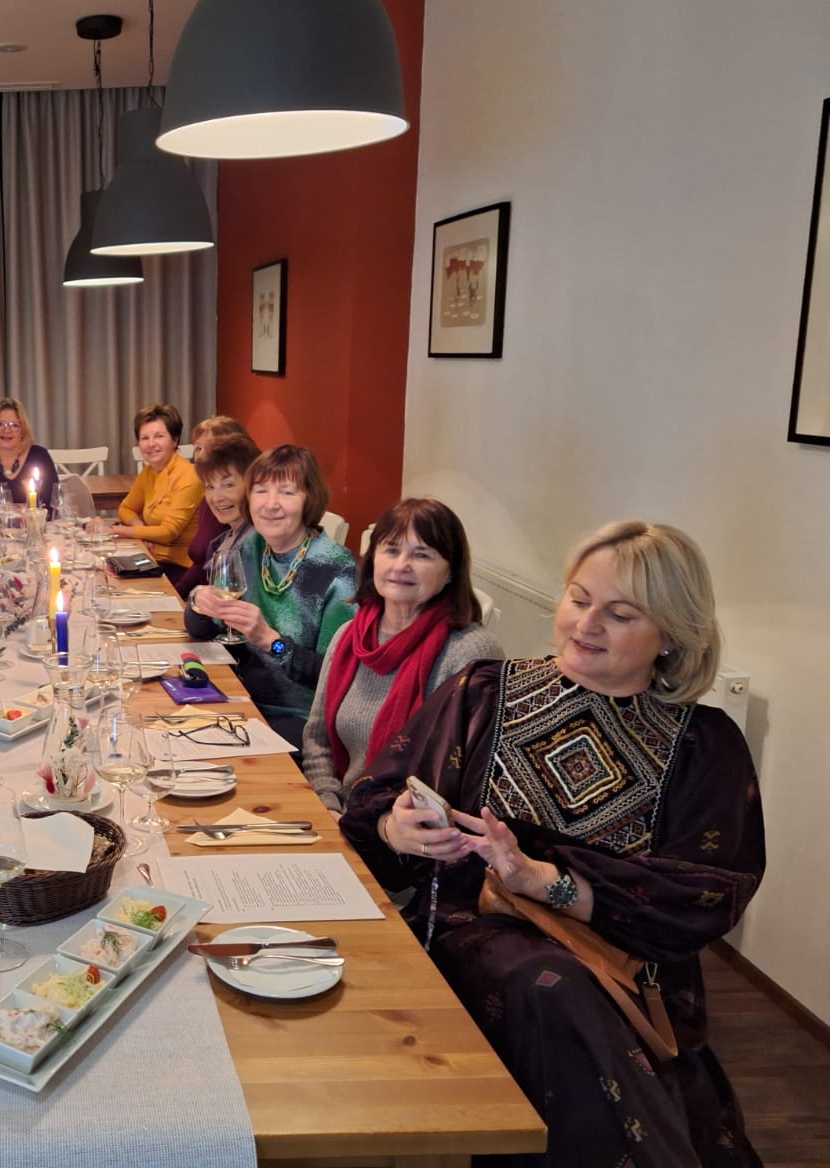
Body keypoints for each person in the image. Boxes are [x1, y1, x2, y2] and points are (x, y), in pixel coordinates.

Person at [340, 520, 765, 1168]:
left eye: (620, 614)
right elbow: (377, 795)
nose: (586, 624)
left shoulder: (705, 745)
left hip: (624, 963)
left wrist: (546, 881)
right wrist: (396, 828)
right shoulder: (483, 691)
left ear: (673, 635)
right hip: (471, 935)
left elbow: (707, 894)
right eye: (578, 598)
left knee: (562, 993)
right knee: (549, 987)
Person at [300, 499, 503, 813]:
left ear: (451, 571)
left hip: (411, 828)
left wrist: (375, 826)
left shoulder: (471, 654)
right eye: (391, 550)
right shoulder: (348, 635)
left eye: (422, 554)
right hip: (340, 812)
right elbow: (317, 738)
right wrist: (328, 804)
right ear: (373, 559)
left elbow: (466, 782)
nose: (401, 565)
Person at [185, 444, 355, 743]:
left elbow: (335, 676)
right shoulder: (251, 548)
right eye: (261, 490)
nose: (270, 504)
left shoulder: (335, 570)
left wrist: (269, 640)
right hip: (237, 696)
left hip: (300, 720)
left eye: (287, 492)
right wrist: (199, 600)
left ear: (309, 499)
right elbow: (202, 628)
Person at [113, 402, 204, 582]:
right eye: (144, 438)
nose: (151, 444)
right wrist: (142, 530)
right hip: (152, 559)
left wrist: (113, 530)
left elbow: (168, 532)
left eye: (159, 436)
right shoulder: (149, 472)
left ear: (174, 440)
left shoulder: (189, 476)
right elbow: (126, 508)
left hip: (181, 568)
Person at [175, 429, 259, 597]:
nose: (216, 498)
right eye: (210, 487)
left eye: (228, 485)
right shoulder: (225, 539)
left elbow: (225, 607)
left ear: (254, 484)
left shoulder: (254, 544)